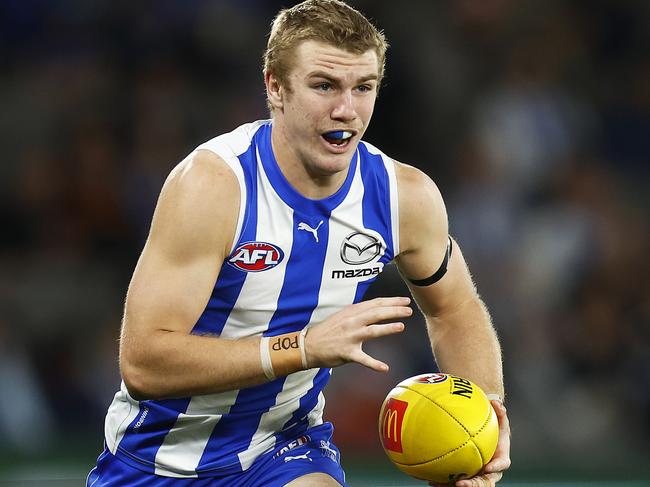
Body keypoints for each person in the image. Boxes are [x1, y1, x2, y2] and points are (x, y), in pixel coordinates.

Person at [87, 1, 511, 486]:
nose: (346, 110)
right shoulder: (214, 186)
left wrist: (485, 415)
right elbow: (143, 362)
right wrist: (303, 348)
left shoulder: (403, 198)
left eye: (363, 88)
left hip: (283, 449)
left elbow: (454, 308)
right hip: (156, 459)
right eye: (324, 85)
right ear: (275, 87)